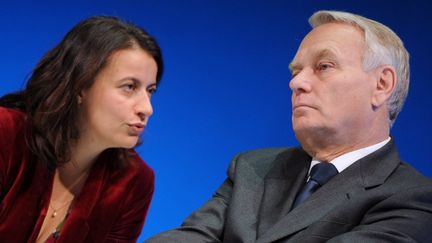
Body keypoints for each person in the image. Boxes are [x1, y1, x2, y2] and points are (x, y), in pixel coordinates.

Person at [146, 10, 432, 243]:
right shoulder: (252, 168)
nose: (296, 83)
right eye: (296, 72)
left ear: (382, 85)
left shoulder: (415, 198)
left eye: (323, 66)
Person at [0, 15, 163, 243]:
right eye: (129, 87)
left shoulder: (134, 182)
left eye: (150, 90)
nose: (147, 108)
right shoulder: (5, 133)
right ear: (80, 87)